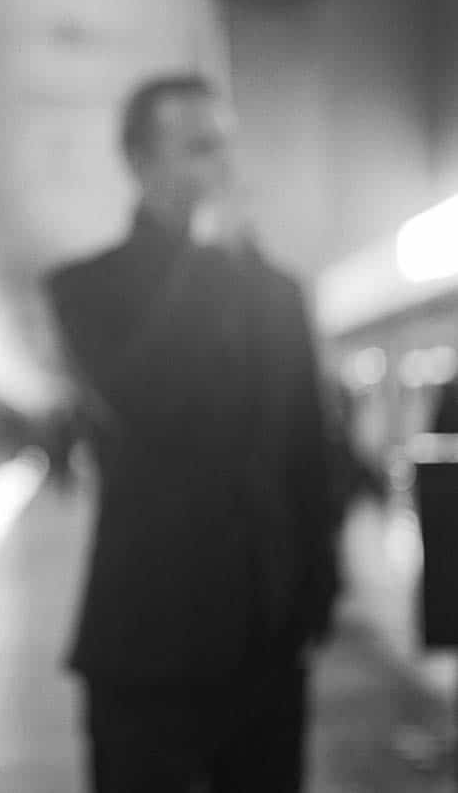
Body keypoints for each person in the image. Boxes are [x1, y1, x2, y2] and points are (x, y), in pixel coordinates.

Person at [44, 73, 339, 793]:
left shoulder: (279, 293)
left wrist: (317, 597)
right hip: (144, 644)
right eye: (199, 146)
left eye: (228, 145)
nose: (223, 165)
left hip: (266, 643)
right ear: (139, 163)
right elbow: (145, 400)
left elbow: (308, 449)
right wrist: (206, 259)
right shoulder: (84, 289)